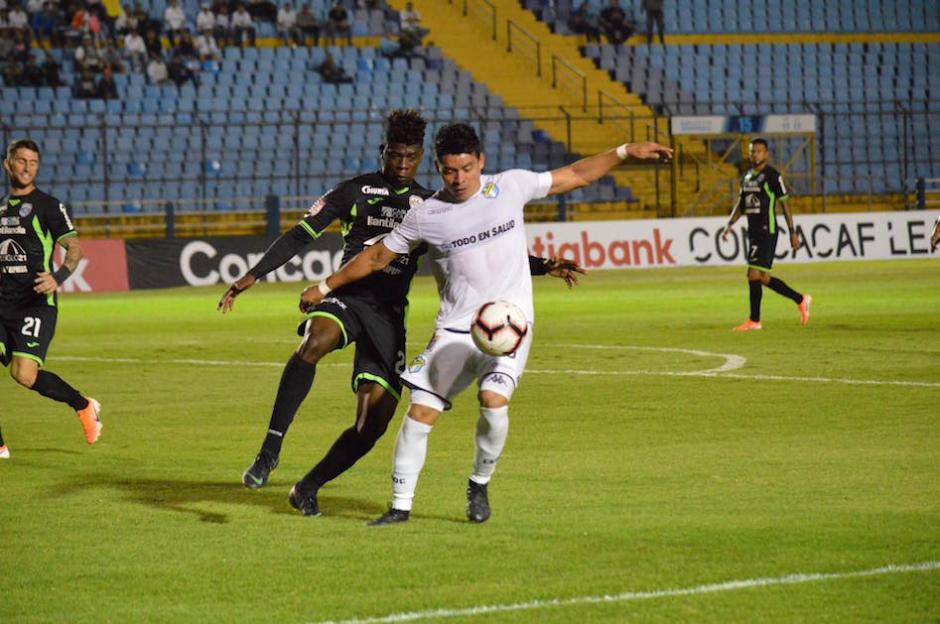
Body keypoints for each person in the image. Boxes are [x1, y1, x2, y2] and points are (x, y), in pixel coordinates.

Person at [299, 124, 671, 525]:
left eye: (466, 169)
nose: (458, 179)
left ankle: (479, 482)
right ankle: (399, 507)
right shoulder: (427, 215)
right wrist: (325, 285)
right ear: (439, 167)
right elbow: (375, 258)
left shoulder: (510, 187)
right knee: (419, 413)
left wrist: (624, 150)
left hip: (508, 323)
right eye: (448, 171)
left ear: (481, 162)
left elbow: (575, 175)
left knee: (492, 403)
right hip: (454, 329)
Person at [218, 111, 584, 517]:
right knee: (316, 339)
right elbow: (301, 234)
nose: (403, 165)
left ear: (421, 157)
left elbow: (476, 246)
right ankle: (270, 450)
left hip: (389, 315)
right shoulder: (354, 191)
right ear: (383, 152)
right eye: (396, 156)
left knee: (371, 425)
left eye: (411, 157)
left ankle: (307, 487)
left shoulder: (431, 206)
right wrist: (254, 274)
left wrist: (543, 264)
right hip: (349, 297)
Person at [0, 139, 102, 459]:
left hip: (35, 303)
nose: (27, 167)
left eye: (33, 162)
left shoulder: (48, 205)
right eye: (21, 161)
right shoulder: (1, 209)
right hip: (3, 303)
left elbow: (74, 247)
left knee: (23, 374)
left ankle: (83, 405)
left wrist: (57, 277)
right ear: (8, 164)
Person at [720, 138, 811, 331]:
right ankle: (801, 299)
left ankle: (754, 320)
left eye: (759, 151)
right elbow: (742, 205)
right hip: (753, 231)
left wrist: (792, 232)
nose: (755, 154)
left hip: (767, 230)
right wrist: (729, 225)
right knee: (762, 277)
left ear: (766, 154)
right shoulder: (746, 177)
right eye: (752, 151)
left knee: (752, 273)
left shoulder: (772, 176)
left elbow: (784, 204)